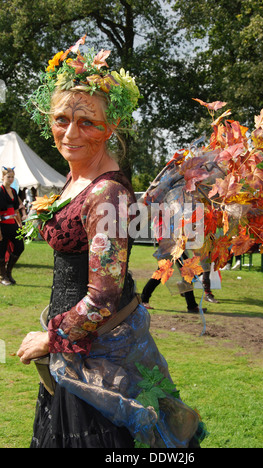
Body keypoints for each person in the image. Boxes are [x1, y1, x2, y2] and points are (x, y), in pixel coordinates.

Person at [17, 38, 206, 449]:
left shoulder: (108, 194)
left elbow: (102, 297)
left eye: (87, 122)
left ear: (111, 126)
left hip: (101, 356)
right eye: (61, 118)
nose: (70, 132)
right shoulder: (77, 176)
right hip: (76, 349)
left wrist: (49, 338)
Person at [0, 167, 26, 285]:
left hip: (13, 224)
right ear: (3, 177)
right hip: (2, 225)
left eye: (12, 177)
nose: (10, 179)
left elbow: (16, 209)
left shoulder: (14, 191)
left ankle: (8, 272)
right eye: (8, 177)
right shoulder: (0, 191)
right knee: (1, 250)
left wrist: (20, 224)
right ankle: (3, 276)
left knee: (20, 246)